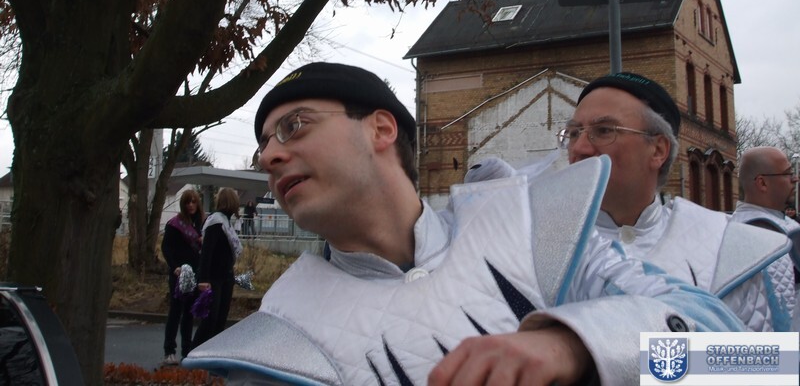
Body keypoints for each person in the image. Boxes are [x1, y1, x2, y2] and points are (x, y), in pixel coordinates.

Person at [185, 62, 744, 385]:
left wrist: (574, 348)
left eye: (294, 126)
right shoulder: (280, 341)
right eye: (263, 145)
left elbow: (745, 361)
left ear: (381, 129)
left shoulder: (538, 227)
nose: (269, 156)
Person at [466, 72, 792, 332]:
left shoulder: (732, 248)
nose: (579, 148)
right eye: (574, 133)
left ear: (658, 150)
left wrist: (593, 357)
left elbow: (765, 367)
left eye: (604, 130)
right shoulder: (524, 245)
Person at [731, 146, 800, 329]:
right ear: (762, 183)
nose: (795, 179)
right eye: (787, 174)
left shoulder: (787, 226)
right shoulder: (741, 236)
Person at [191, 187, 243, 349]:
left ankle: (212, 353)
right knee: (210, 319)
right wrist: (203, 278)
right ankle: (193, 352)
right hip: (213, 277)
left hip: (226, 276)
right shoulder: (216, 222)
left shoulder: (226, 222)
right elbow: (207, 252)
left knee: (220, 319)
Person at [161, 189, 204, 364]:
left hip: (195, 273)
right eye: (188, 202)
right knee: (175, 311)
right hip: (179, 273)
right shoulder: (174, 224)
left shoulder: (201, 224)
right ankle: (169, 351)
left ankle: (187, 350)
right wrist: (174, 267)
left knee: (189, 313)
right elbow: (166, 248)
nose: (191, 205)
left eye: (194, 202)